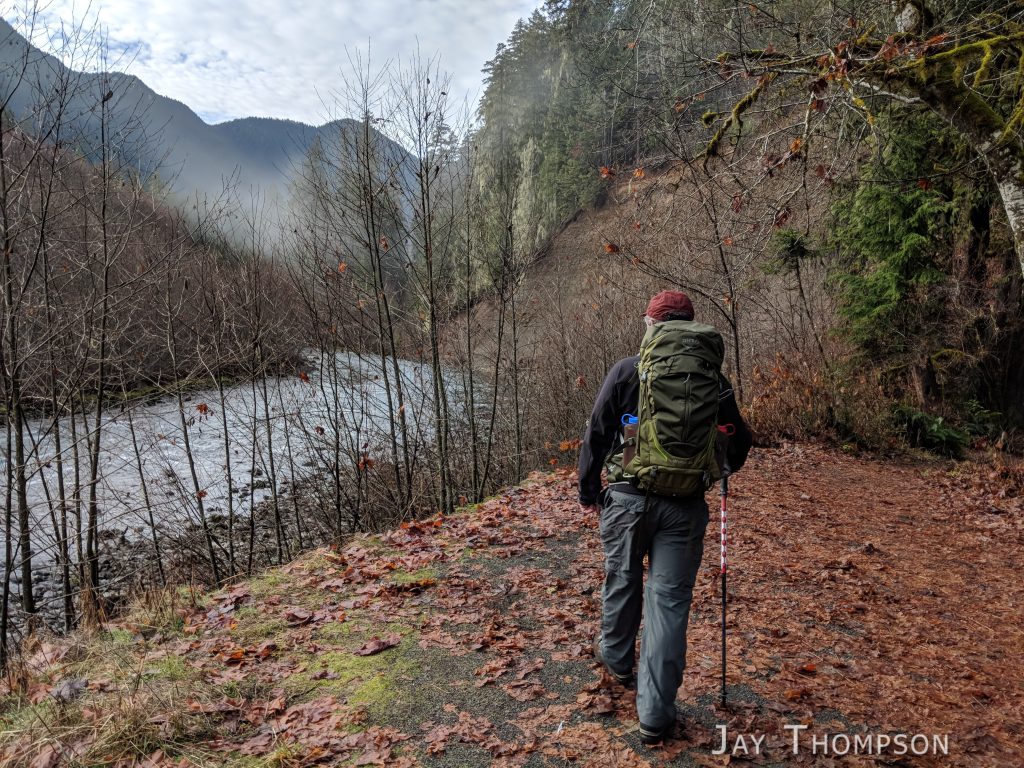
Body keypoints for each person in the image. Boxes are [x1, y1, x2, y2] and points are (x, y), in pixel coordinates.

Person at [577, 289, 752, 745]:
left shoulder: (627, 370)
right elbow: (739, 444)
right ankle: (655, 716)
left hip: (626, 501)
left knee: (623, 578)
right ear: (691, 327)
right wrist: (713, 466)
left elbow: (597, 432)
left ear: (651, 325)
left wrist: (588, 490)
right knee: (669, 603)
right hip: (684, 508)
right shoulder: (714, 381)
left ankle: (617, 661)